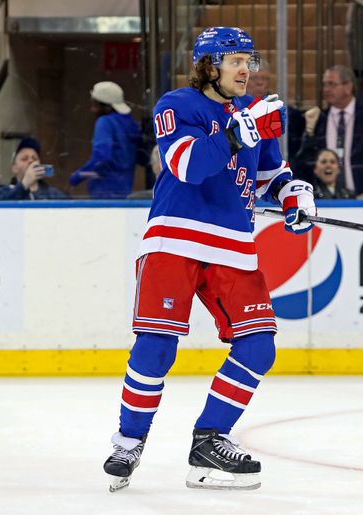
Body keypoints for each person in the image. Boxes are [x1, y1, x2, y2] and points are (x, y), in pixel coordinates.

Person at [103, 26, 316, 493]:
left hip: (234, 244)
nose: (246, 69)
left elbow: (270, 175)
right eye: (235, 60)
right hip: (175, 239)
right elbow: (188, 166)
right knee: (156, 348)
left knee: (259, 347)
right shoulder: (176, 104)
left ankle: (210, 442)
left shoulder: (258, 115)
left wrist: (293, 194)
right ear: (208, 65)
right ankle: (129, 440)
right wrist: (235, 137)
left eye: (249, 60)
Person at [294, 64, 363, 195]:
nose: (326, 89)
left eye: (332, 84)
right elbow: (304, 161)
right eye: (325, 84)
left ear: (348, 87)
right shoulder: (319, 119)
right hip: (327, 197)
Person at [68, 81, 141, 199]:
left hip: (104, 193)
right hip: (125, 190)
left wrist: (76, 177)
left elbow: (101, 157)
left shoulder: (105, 122)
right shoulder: (131, 124)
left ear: (108, 106)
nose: (92, 110)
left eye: (95, 105)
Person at [0, 137, 68, 200]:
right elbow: (2, 210)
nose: (31, 161)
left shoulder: (53, 194)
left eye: (34, 158)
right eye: (24, 158)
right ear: (14, 168)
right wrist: (24, 184)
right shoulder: (3, 191)